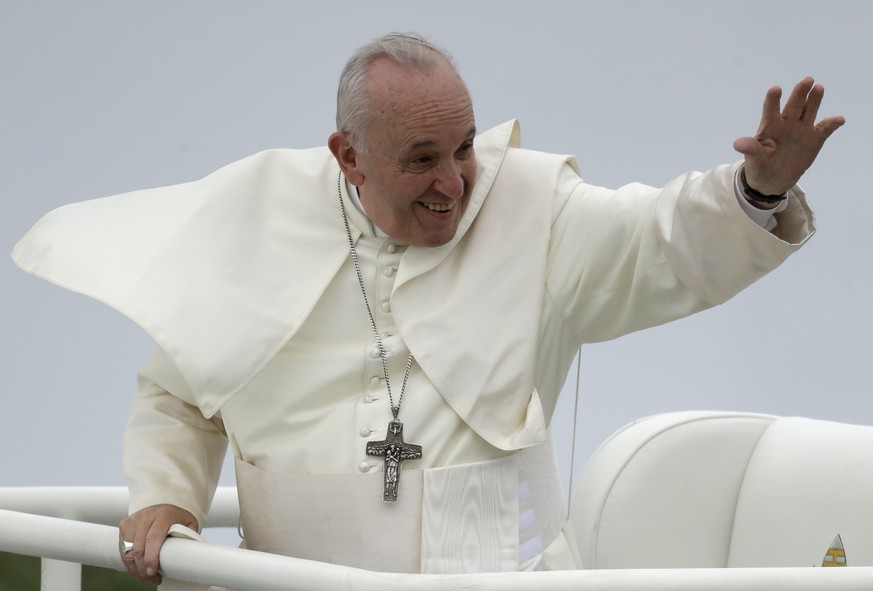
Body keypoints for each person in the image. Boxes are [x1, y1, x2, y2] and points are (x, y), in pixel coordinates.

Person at [12, 33, 843, 587]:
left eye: (463, 147)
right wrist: (167, 495)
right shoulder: (253, 216)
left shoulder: (530, 208)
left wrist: (754, 190)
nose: (454, 182)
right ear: (348, 156)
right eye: (420, 159)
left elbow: (654, 235)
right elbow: (180, 388)